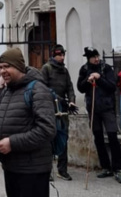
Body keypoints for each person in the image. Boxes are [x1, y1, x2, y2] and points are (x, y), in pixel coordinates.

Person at [0, 48, 55, 197]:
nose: (2, 71)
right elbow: (7, 121)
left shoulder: (37, 89)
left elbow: (47, 129)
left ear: (18, 67)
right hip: (12, 167)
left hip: (33, 170)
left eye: (7, 66)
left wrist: (12, 143)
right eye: (0, 67)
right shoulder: (7, 91)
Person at [76, 47, 121, 184]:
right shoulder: (84, 69)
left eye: (97, 56)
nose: (96, 59)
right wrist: (88, 80)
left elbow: (112, 86)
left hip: (107, 108)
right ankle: (106, 167)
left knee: (112, 137)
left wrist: (99, 78)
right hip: (93, 108)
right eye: (93, 57)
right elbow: (80, 88)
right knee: (98, 138)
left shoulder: (106, 68)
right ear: (88, 58)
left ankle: (118, 169)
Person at [40, 44, 76, 180]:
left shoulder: (65, 71)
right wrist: (60, 99)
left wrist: (71, 101)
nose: (62, 57)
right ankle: (47, 169)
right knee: (49, 138)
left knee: (64, 137)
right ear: (54, 55)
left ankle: (62, 169)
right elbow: (44, 88)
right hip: (50, 107)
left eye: (63, 55)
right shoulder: (46, 68)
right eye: (59, 55)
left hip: (63, 109)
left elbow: (70, 87)